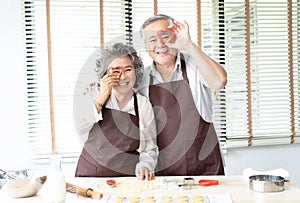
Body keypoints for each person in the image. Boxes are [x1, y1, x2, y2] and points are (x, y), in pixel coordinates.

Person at [138, 14, 227, 176]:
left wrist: (190, 46)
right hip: (165, 167)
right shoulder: (142, 79)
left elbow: (219, 81)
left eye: (165, 36)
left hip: (205, 164)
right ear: (146, 46)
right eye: (152, 40)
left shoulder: (195, 64)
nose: (160, 44)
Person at [75, 43, 158, 180]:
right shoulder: (92, 94)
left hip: (126, 179)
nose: (123, 76)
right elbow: (81, 126)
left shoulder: (143, 105)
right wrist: (101, 96)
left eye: (128, 69)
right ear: (105, 75)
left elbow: (149, 149)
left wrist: (145, 166)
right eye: (115, 71)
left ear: (136, 72)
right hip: (90, 176)